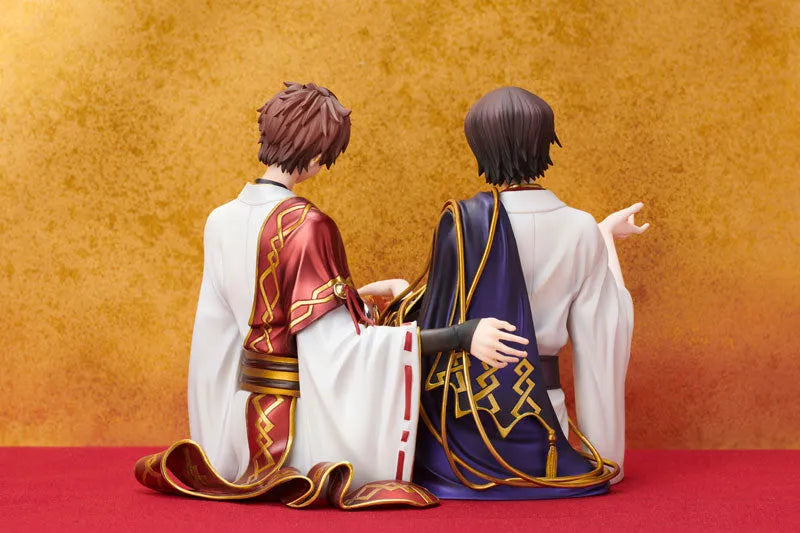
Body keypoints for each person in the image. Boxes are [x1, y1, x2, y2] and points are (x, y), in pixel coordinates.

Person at [133, 82, 527, 509]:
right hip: (294, 437)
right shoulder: (308, 225)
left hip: (237, 431)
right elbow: (339, 351)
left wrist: (353, 301)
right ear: (318, 151)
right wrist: (460, 336)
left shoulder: (220, 219)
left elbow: (220, 336)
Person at [384, 86, 648, 500]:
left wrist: (401, 297)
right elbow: (604, 333)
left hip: (463, 436)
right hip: (547, 430)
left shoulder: (462, 223)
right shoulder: (581, 229)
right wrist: (604, 454)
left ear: (480, 148)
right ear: (545, 143)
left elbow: (437, 322)